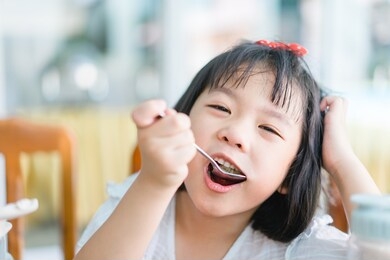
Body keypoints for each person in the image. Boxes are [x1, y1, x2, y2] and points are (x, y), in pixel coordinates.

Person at [73, 39, 381, 260]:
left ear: (289, 176)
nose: (235, 134)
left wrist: (341, 160)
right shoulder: (136, 203)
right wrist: (154, 182)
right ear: (183, 118)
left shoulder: (298, 249)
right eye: (221, 107)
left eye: (269, 128)